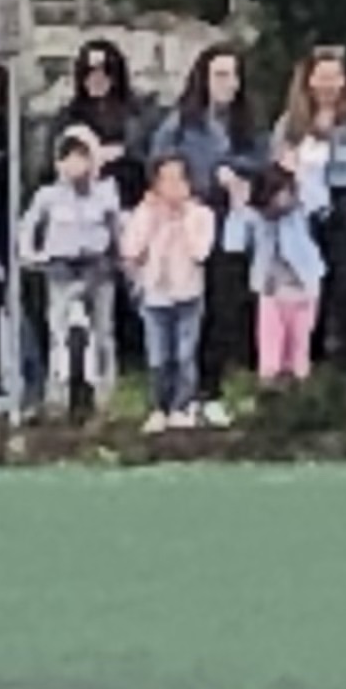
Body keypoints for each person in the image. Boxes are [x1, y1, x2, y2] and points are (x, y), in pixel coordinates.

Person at [151, 46, 259, 387]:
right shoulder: (179, 125)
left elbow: (262, 160)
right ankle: (181, 383)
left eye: (234, 75)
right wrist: (210, 176)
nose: (229, 83)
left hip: (234, 223)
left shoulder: (247, 123)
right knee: (188, 305)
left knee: (226, 304)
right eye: (220, 75)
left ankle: (215, 382)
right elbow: (161, 166)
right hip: (191, 222)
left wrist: (234, 170)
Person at [279, 48, 346, 378]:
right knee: (304, 293)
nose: (328, 85)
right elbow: (277, 173)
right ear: (308, 81)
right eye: (321, 76)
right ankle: (304, 366)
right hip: (301, 217)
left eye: (335, 77)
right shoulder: (290, 126)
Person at [17, 127, 127, 420]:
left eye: (83, 156)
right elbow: (28, 227)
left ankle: (104, 396)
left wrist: (122, 259)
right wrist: (31, 256)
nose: (76, 163)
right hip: (61, 270)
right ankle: (57, 396)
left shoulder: (106, 192)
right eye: (69, 156)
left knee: (103, 332)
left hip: (98, 269)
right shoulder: (48, 196)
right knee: (59, 332)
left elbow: (118, 229)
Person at [121, 151, 222, 432]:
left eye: (179, 179)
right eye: (165, 180)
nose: (172, 187)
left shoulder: (202, 215)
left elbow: (200, 252)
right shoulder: (144, 213)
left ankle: (182, 405)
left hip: (188, 293)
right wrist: (153, 220)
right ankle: (158, 407)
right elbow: (130, 249)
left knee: (184, 354)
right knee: (158, 355)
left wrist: (184, 219)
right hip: (155, 294)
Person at [241, 160, 330, 388]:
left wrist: (301, 177)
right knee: (270, 344)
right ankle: (270, 387)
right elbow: (235, 241)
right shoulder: (256, 218)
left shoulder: (300, 210)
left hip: (304, 287)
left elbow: (322, 201)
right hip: (271, 291)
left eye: (286, 192)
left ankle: (299, 388)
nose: (281, 201)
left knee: (300, 343)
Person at [57, 39, 149, 175]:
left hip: (127, 177)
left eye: (104, 74)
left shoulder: (137, 110)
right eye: (89, 74)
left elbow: (146, 153)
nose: (96, 80)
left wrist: (122, 151)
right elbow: (61, 157)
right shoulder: (71, 113)